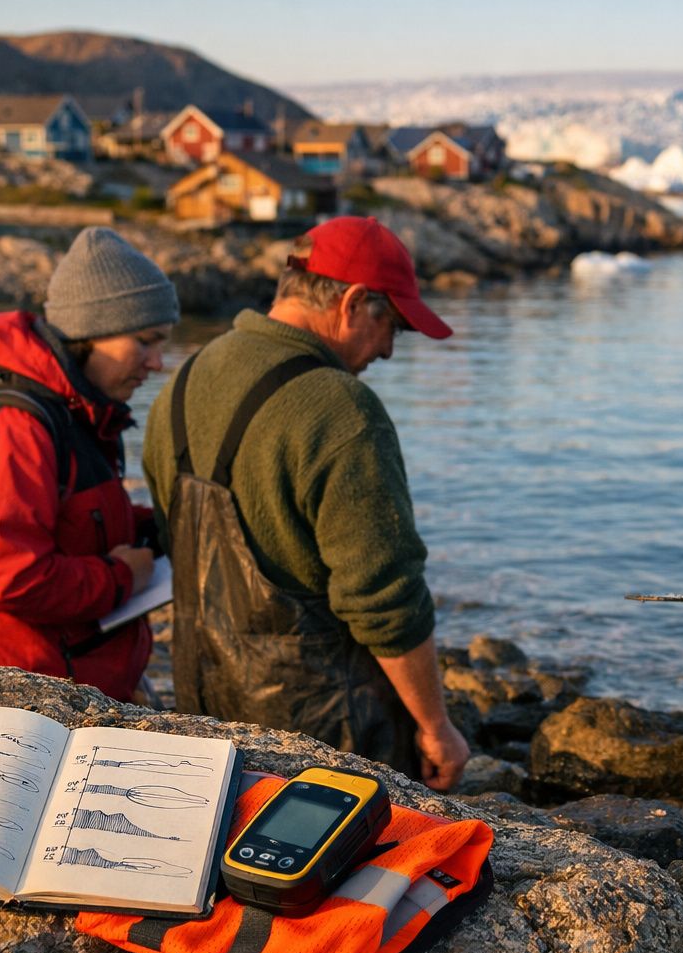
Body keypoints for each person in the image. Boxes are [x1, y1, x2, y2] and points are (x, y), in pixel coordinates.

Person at [141, 216, 469, 790]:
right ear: (354, 302)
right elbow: (384, 600)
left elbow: (177, 540)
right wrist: (436, 725)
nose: (390, 350)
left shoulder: (186, 378)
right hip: (326, 738)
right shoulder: (342, 409)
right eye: (391, 324)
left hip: (205, 716)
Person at [0, 227, 176, 703]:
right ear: (90, 332)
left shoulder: (78, 412)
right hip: (27, 696)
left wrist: (158, 528)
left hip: (80, 680)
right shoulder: (14, 428)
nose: (158, 362)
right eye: (145, 341)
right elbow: (10, 577)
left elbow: (77, 522)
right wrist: (124, 577)